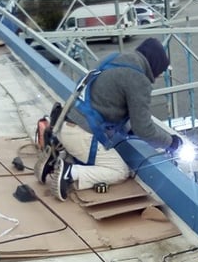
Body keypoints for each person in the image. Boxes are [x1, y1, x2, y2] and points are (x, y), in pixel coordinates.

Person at [41, 38, 183, 201]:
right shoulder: (138, 80)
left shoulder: (112, 58)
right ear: (155, 65)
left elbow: (107, 101)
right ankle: (69, 172)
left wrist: (128, 128)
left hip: (63, 125)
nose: (158, 77)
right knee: (119, 171)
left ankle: (59, 157)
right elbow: (144, 129)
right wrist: (171, 142)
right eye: (160, 72)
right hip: (81, 134)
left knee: (97, 150)